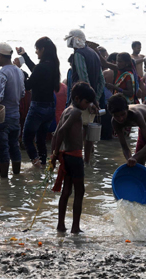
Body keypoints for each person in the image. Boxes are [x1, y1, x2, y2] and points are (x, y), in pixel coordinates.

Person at [50, 82, 95, 234]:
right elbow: (62, 131)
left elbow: (56, 133)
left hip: (66, 156)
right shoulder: (76, 113)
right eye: (86, 102)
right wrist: (55, 153)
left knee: (66, 191)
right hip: (75, 157)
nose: (88, 105)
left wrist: (54, 154)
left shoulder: (67, 110)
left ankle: (61, 225)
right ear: (77, 98)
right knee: (79, 191)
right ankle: (75, 227)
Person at [109, 94, 146, 196]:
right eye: (116, 116)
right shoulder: (115, 122)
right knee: (138, 167)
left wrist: (134, 157)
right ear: (112, 115)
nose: (120, 118)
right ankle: (141, 197)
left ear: (127, 109)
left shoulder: (135, 115)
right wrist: (130, 159)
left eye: (123, 114)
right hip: (144, 129)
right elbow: (125, 148)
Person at [16, 37, 60, 167]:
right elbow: (36, 70)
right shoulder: (53, 64)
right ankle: (43, 164)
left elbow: (28, 85)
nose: (36, 52)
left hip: (38, 107)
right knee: (40, 139)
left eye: (37, 49)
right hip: (50, 106)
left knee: (27, 138)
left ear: (43, 49)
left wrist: (18, 70)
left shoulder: (42, 67)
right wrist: (24, 55)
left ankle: (36, 164)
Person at [65, 29, 105, 163]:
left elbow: (83, 78)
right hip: (91, 99)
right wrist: (95, 99)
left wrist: (90, 101)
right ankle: (87, 163)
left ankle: (78, 162)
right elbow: (101, 80)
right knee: (89, 134)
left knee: (78, 133)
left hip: (81, 100)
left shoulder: (79, 54)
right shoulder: (94, 53)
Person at [0, 42, 25, 178]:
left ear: (1, 56)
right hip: (15, 116)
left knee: (2, 150)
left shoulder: (1, 74)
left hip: (2, 118)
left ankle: (4, 181)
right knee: (14, 147)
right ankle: (16, 177)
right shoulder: (19, 71)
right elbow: (22, 93)